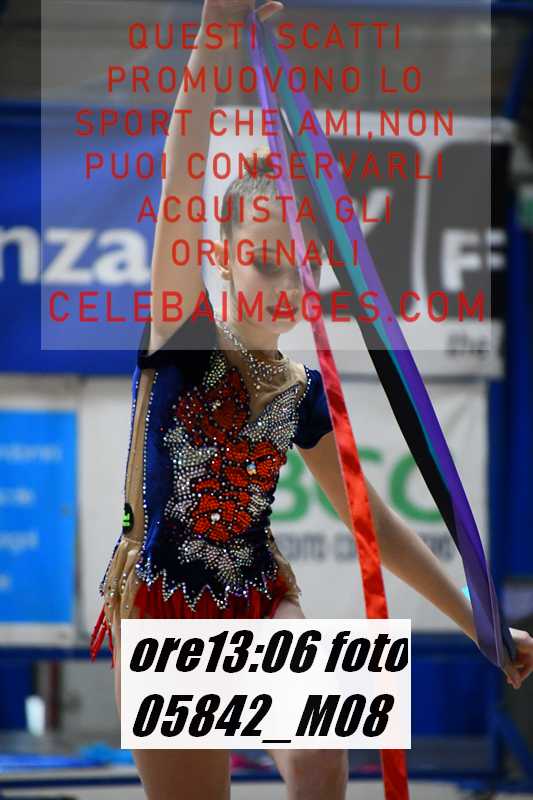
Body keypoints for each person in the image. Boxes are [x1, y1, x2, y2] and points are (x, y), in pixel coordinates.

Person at [90, 2, 533, 798]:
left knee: (324, 750)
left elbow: (374, 524)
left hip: (261, 597)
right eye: (265, 261)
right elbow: (182, 171)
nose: (285, 283)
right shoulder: (182, 337)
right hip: (162, 606)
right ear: (221, 255)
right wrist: (214, 33)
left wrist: (480, 622)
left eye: (300, 265)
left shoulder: (300, 390)